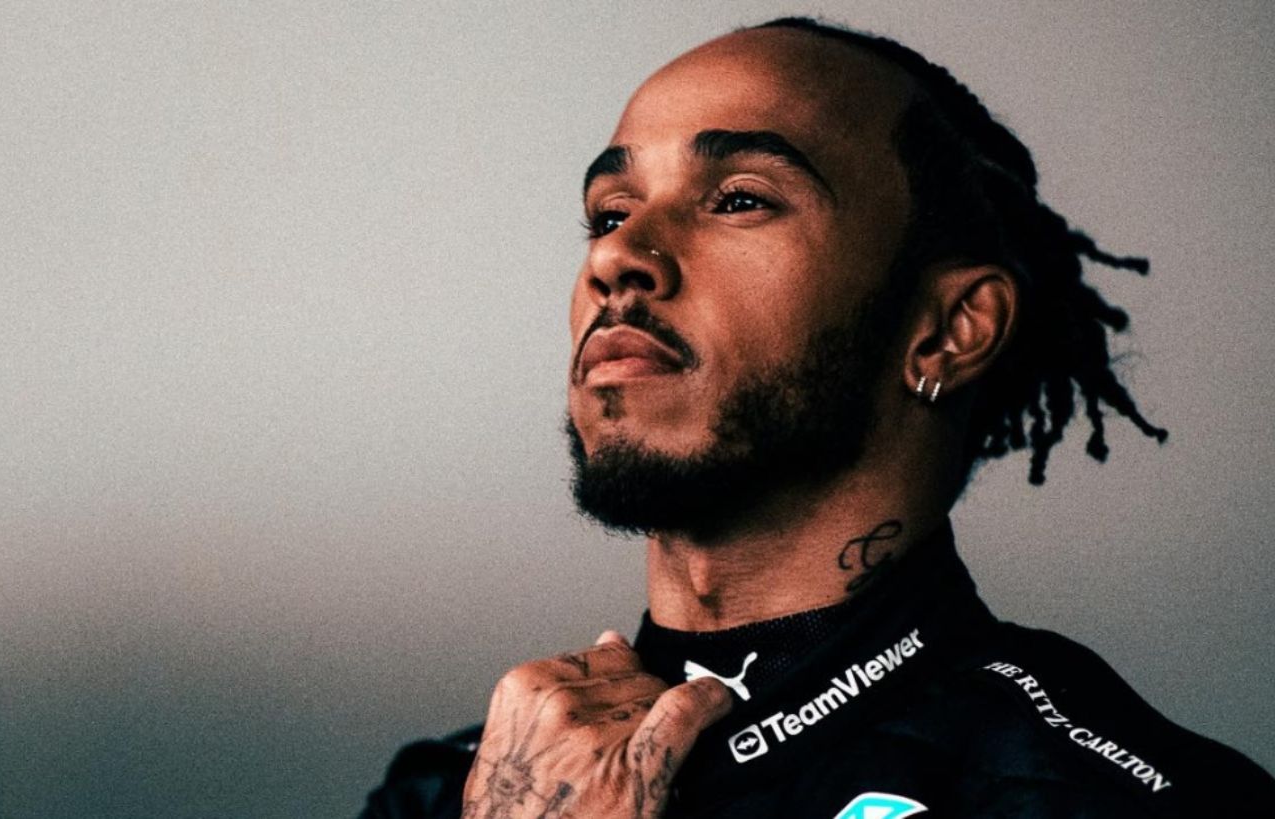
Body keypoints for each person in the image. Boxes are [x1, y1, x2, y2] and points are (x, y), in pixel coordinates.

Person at [360, 16, 1273, 818]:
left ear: (948, 330)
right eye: (608, 213)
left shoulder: (1103, 796)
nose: (618, 257)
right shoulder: (454, 792)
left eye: (739, 199)